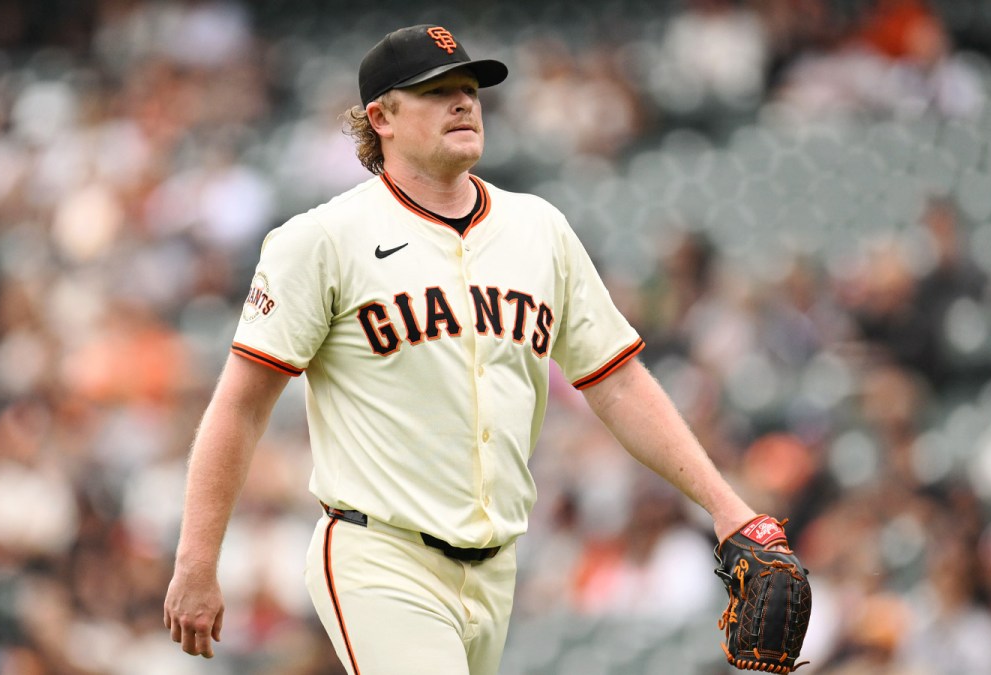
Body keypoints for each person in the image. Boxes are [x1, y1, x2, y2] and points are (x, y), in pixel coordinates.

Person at [163, 24, 760, 674]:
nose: (464, 102)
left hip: (496, 568)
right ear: (380, 117)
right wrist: (197, 558)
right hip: (379, 554)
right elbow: (240, 407)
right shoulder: (322, 240)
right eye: (437, 90)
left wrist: (728, 508)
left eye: (470, 88)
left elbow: (617, 382)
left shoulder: (540, 229)